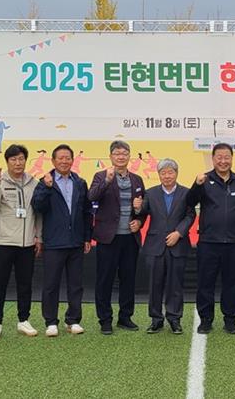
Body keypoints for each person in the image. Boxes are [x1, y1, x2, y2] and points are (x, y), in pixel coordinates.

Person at [187, 143, 235, 335]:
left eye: (227, 157)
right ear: (213, 159)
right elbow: (189, 202)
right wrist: (196, 185)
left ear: (232, 159)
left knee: (231, 283)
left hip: (234, 243)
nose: (223, 161)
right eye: (219, 157)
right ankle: (205, 320)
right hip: (208, 242)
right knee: (205, 282)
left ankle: (230, 320)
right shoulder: (204, 180)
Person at [31, 144, 92, 337]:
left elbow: (87, 211)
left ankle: (73, 320)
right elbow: (37, 206)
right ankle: (51, 321)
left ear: (72, 160)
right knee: (51, 284)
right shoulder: (45, 181)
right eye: (60, 158)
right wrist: (47, 188)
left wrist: (87, 237)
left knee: (76, 284)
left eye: (68, 158)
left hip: (76, 242)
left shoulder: (80, 182)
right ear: (53, 161)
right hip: (54, 242)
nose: (64, 161)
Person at [0, 144, 42, 340]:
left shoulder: (34, 183)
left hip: (27, 244)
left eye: (21, 159)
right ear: (7, 161)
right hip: (4, 242)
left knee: (25, 284)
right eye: (13, 159)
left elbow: (38, 213)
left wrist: (39, 237)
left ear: (25, 160)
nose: (18, 163)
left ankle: (23, 320)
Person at [89, 141, 145, 335]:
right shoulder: (101, 176)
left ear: (129, 156)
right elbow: (92, 197)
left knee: (128, 279)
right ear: (111, 157)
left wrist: (139, 220)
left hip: (130, 238)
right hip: (108, 238)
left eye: (124, 153)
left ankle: (125, 317)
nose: (121, 156)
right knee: (104, 280)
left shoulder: (137, 179)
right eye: (117, 153)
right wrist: (106, 180)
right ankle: (105, 319)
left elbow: (143, 207)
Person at [134, 158, 195, 334]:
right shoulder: (150, 193)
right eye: (163, 173)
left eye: (170, 172)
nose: (167, 176)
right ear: (159, 175)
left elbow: (190, 215)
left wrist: (179, 233)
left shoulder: (186, 193)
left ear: (176, 173)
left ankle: (174, 319)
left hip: (178, 245)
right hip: (155, 246)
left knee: (175, 285)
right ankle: (156, 319)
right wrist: (137, 208)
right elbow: (142, 212)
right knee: (154, 285)